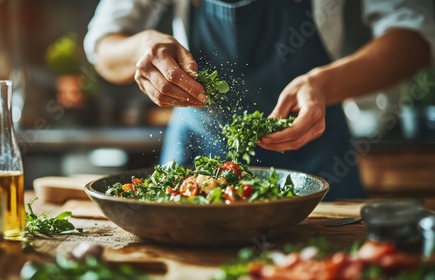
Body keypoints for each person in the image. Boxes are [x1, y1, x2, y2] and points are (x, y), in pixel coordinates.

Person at [84, 0, 435, 201]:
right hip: (195, 160)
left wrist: (324, 85)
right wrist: (142, 46)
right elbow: (103, 48)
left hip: (316, 156)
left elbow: (415, 36)